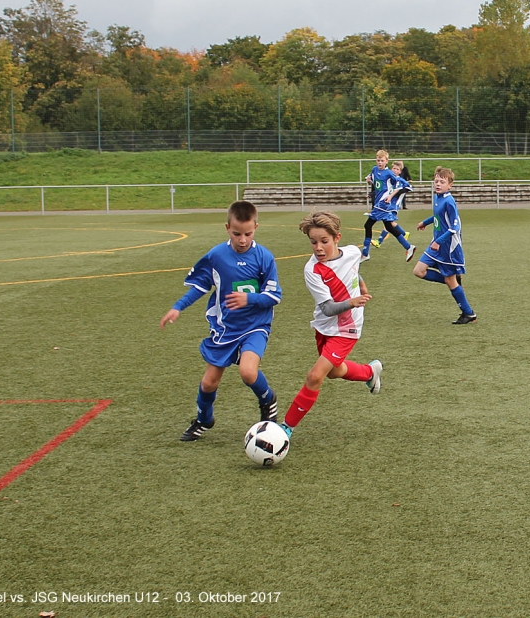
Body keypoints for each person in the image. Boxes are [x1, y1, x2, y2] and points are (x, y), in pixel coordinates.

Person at [159, 200, 282, 441]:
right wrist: (177, 307)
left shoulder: (264, 257)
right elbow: (199, 287)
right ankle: (204, 419)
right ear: (227, 228)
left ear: (256, 227)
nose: (243, 240)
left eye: (248, 234)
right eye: (237, 234)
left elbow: (274, 296)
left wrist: (249, 299)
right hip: (226, 329)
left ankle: (268, 401)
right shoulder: (216, 256)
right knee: (208, 383)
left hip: (255, 326)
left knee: (248, 372)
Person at [280, 210, 382, 437]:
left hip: (348, 328)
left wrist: (361, 284)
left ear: (337, 238)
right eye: (313, 242)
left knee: (315, 376)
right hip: (324, 325)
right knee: (334, 372)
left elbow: (353, 268)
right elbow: (327, 308)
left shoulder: (353, 252)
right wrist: (352, 301)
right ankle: (369, 372)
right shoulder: (312, 270)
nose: (318, 248)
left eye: (324, 241)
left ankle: (286, 428)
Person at [413, 167, 477, 324]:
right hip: (436, 244)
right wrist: (425, 222)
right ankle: (453, 281)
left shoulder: (449, 201)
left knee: (450, 281)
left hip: (448, 248)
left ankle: (468, 313)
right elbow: (438, 216)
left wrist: (439, 242)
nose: (438, 184)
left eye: (442, 182)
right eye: (436, 181)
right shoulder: (437, 197)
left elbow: (454, 228)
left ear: (450, 185)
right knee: (418, 271)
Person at [362, 150, 415, 262]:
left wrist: (390, 196)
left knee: (368, 225)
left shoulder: (389, 174)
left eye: (382, 160)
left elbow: (399, 185)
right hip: (378, 202)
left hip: (383, 204)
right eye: (378, 160)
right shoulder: (374, 169)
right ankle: (409, 247)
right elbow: (375, 184)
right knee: (389, 227)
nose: (380, 162)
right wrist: (369, 181)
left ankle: (365, 253)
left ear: (386, 161)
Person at [372, 160, 412, 249]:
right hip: (388, 204)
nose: (395, 170)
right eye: (394, 168)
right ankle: (404, 233)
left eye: (397, 169)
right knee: (390, 223)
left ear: (400, 172)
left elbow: (408, 187)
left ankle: (379, 241)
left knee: (388, 223)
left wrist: (399, 192)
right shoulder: (390, 179)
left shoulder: (400, 180)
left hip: (394, 205)